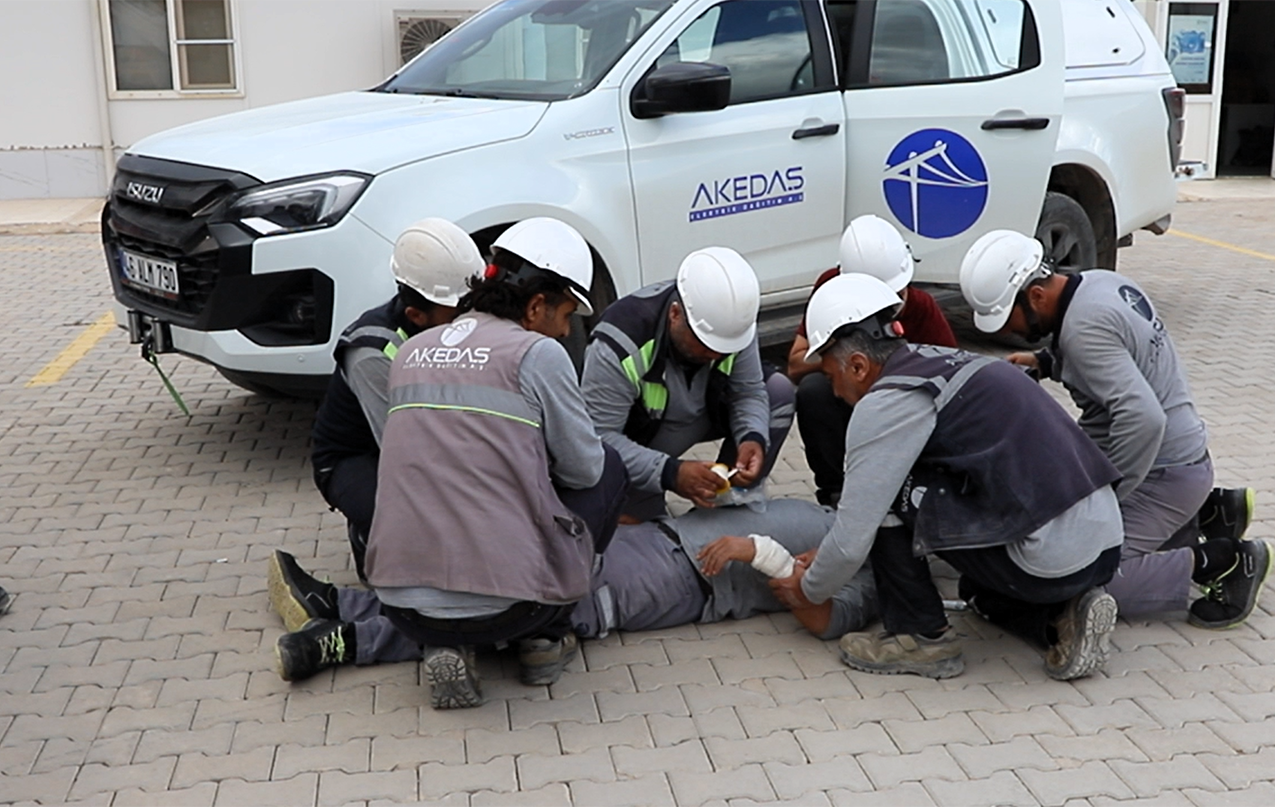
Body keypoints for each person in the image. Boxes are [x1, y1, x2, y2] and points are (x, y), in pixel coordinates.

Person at [282, 217, 629, 710]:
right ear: (535, 305)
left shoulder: (408, 353)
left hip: (403, 610)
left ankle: (443, 640)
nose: (568, 326)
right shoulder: (539, 354)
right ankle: (546, 636)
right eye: (568, 312)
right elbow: (584, 472)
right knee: (608, 468)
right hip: (515, 609)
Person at [769, 273, 1126, 682]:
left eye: (832, 376)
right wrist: (831, 550)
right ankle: (1060, 619)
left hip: (1046, 560)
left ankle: (920, 638)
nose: (833, 393)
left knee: (889, 490)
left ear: (858, 364)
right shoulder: (943, 362)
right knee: (975, 592)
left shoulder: (887, 401)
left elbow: (853, 536)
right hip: (1104, 546)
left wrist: (808, 590)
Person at [958, 230, 1269, 630]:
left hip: (1164, 471)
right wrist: (1047, 361)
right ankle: (1210, 513)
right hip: (1180, 458)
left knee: (1085, 574)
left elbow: (1144, 420)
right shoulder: (1098, 283)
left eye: (1009, 317)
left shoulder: (1082, 328)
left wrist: (1106, 495)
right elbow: (1118, 354)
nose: (1010, 331)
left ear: (1035, 296)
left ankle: (1224, 562)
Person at [267, 499, 879, 683]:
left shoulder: (873, 577)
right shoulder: (842, 514)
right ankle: (340, 604)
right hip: (663, 539)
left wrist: (760, 554)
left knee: (531, 599)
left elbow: (822, 617)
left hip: (685, 583)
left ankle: (345, 642)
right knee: (507, 569)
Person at [309, 218, 483, 580]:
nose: (470, 322)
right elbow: (406, 454)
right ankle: (368, 534)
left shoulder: (456, 315)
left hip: (429, 437)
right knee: (423, 533)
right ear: (417, 315)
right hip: (362, 456)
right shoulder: (373, 352)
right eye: (458, 314)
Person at [581, 247, 794, 521]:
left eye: (723, 349)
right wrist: (670, 473)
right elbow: (600, 439)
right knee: (638, 530)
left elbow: (748, 392)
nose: (715, 355)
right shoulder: (619, 343)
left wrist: (752, 437)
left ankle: (727, 510)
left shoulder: (731, 325)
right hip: (642, 439)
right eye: (705, 345)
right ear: (675, 314)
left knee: (778, 392)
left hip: (703, 415)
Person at [786, 215, 958, 506]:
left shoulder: (920, 307)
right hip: (851, 399)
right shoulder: (830, 290)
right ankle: (834, 493)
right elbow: (795, 364)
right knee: (814, 390)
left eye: (898, 294)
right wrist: (838, 359)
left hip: (901, 411)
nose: (894, 306)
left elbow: (953, 376)